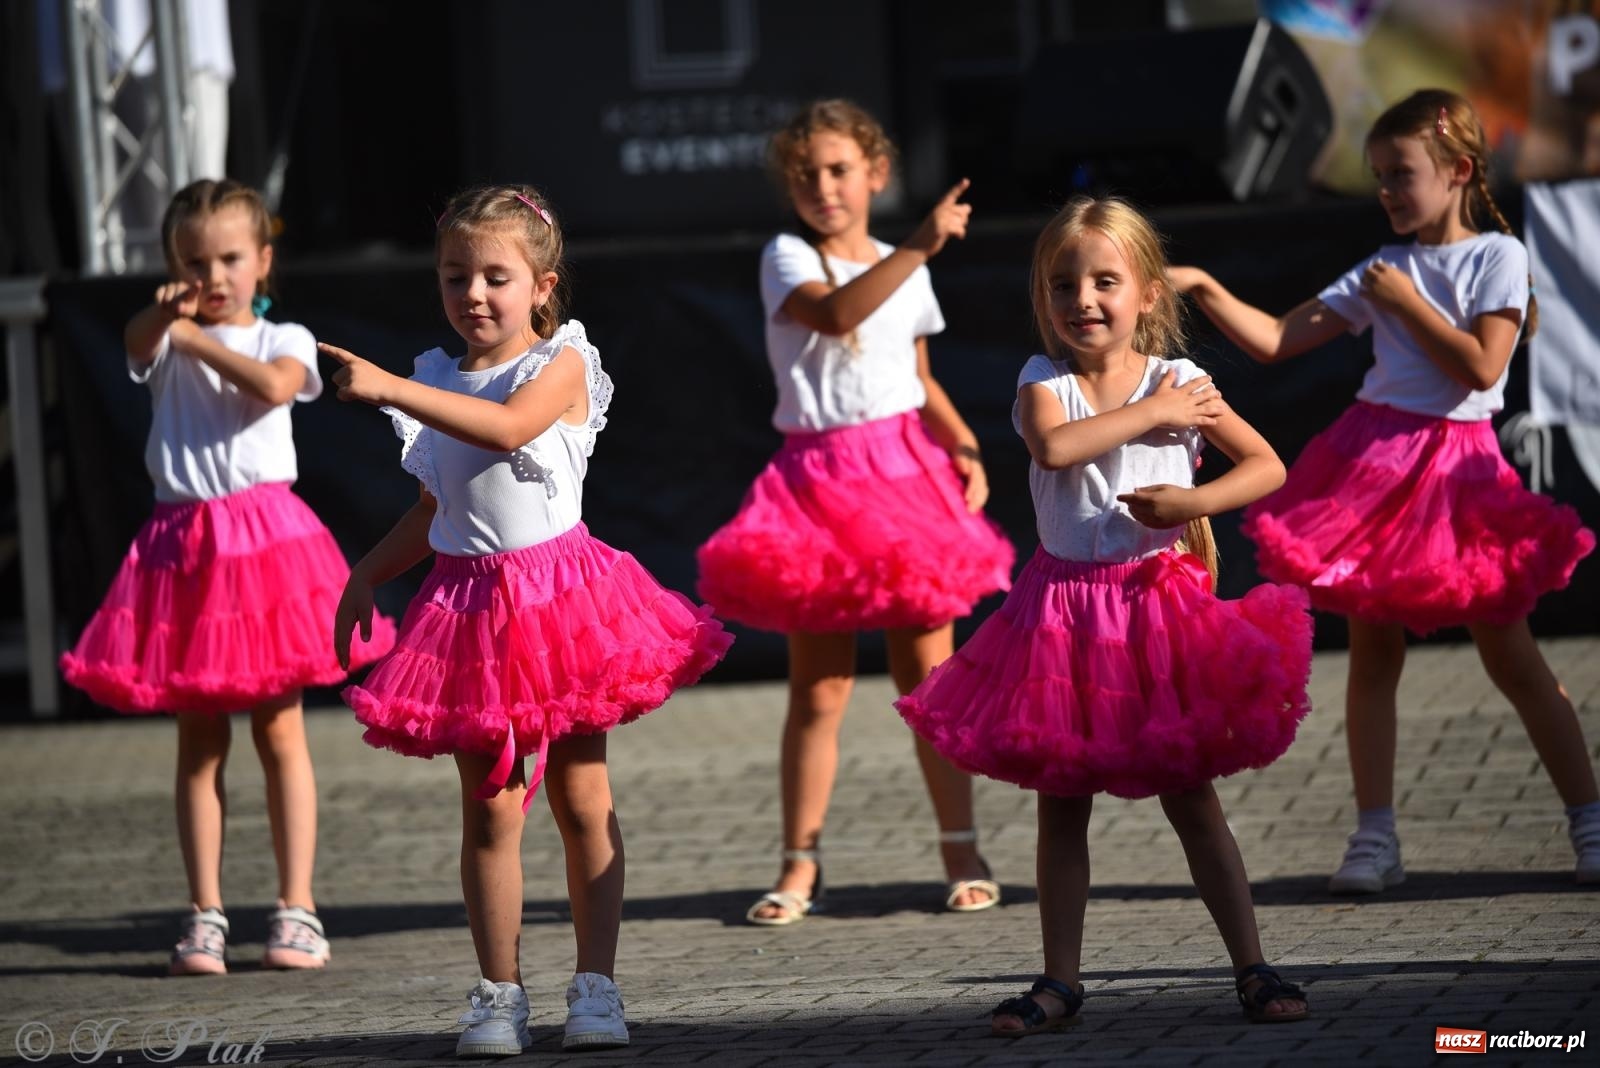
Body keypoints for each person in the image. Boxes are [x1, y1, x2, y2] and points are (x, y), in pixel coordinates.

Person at [321, 184, 732, 1057]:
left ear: (543, 285)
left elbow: (508, 431)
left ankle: (597, 988)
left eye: (495, 276)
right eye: (453, 276)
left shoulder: (561, 365)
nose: (473, 293)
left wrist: (390, 384)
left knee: (583, 799)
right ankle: (500, 993)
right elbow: (437, 507)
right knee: (490, 811)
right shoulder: (435, 378)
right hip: (467, 614)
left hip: (562, 607)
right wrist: (366, 570)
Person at [898, 196, 1315, 1034]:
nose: (1082, 299)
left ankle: (1251, 964)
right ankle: (1060, 980)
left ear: (1149, 295)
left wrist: (1196, 497)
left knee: (1192, 798)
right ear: (1043, 299)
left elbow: (1266, 464)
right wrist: (1157, 416)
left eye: (1104, 281)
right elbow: (1055, 447)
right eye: (1063, 284)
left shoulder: (1182, 382)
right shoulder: (1040, 381)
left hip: (1157, 611)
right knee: (1063, 801)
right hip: (1061, 617)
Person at [1169, 88, 1599, 891]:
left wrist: (1405, 301)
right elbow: (1274, 340)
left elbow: (1481, 366)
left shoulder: (1494, 258)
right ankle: (1375, 839)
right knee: (1373, 655)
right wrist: (1200, 284)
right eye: (1378, 177)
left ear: (1460, 171)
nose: (1388, 192)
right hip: (1374, 465)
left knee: (1511, 654)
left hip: (1461, 472)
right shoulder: (1382, 267)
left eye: (1402, 173)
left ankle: (1589, 820)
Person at [59, 177, 395, 975]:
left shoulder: (282, 336)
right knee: (198, 738)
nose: (212, 276)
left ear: (263, 262)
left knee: (279, 728)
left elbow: (278, 387)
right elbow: (136, 340)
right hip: (181, 545)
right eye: (193, 260)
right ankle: (204, 912)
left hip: (264, 544)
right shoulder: (164, 333)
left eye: (230, 259)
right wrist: (165, 319)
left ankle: (297, 907)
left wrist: (194, 337)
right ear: (171, 265)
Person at [694, 99, 1015, 926]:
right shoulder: (785, 256)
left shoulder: (909, 265)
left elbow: (919, 379)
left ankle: (961, 846)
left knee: (928, 680)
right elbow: (836, 316)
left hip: (905, 477)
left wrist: (966, 444)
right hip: (816, 484)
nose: (822, 187)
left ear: (876, 172)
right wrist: (917, 245)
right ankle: (799, 865)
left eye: (839, 169)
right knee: (821, 688)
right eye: (805, 174)